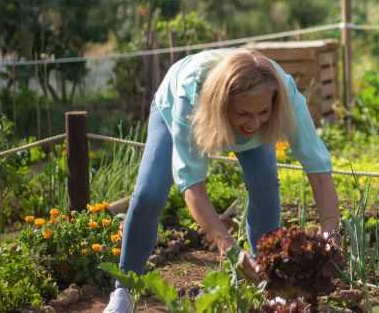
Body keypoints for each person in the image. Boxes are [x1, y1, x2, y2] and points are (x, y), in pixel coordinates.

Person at [104, 48, 340, 312]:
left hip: (243, 114)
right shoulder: (189, 98)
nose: (254, 123)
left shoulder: (283, 93)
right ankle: (124, 290)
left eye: (263, 111)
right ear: (223, 103)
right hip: (181, 107)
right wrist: (228, 248)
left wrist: (331, 234)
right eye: (243, 113)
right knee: (149, 194)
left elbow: (318, 169)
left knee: (265, 184)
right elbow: (193, 185)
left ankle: (266, 282)